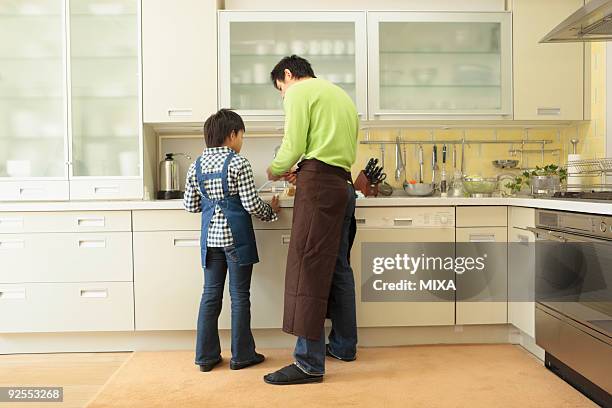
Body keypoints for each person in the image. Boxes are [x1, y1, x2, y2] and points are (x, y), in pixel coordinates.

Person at [263, 55, 359, 385]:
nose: (283, 95)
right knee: (337, 269)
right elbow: (328, 152)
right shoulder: (341, 95)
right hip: (343, 187)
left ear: (288, 75)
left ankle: (308, 363)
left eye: (280, 88)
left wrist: (276, 169)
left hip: (320, 189)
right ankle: (344, 346)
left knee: (308, 270)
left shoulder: (299, 92)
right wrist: (306, 170)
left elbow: (293, 146)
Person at [184, 109, 280, 372]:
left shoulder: (196, 165)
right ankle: (242, 356)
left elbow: (190, 206)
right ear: (232, 134)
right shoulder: (239, 163)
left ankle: (206, 358)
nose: (242, 141)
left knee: (210, 296)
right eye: (241, 135)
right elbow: (251, 204)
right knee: (239, 297)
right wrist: (272, 212)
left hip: (210, 241)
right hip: (236, 240)